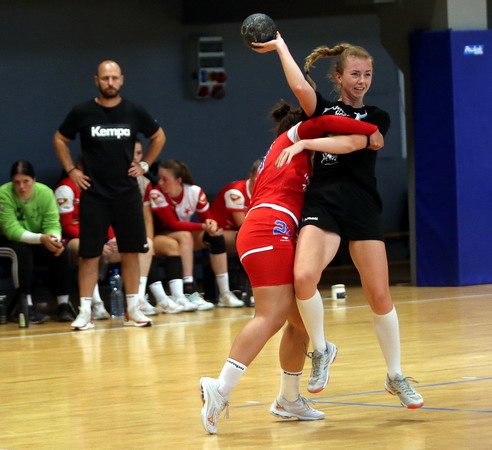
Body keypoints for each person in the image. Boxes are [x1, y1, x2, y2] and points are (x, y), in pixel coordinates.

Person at [253, 36, 424, 408]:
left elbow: (350, 144)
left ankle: (395, 375)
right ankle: (321, 350)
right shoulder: (323, 110)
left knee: (380, 295)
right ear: (339, 76)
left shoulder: (377, 117)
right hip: (323, 200)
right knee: (303, 277)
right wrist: (281, 47)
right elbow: (300, 87)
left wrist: (305, 144)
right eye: (355, 74)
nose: (361, 81)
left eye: (367, 74)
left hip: (361, 202)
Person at [200, 102, 381, 434]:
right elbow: (324, 120)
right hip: (269, 227)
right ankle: (220, 388)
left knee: (299, 323)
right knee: (270, 316)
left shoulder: (301, 157)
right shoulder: (293, 136)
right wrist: (372, 130)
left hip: (269, 227)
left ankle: (289, 398)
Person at [53, 59, 166, 330]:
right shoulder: (82, 111)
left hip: (126, 193)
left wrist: (145, 165)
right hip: (94, 194)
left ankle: (133, 309)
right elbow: (60, 139)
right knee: (89, 255)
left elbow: (159, 136)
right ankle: (85, 312)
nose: (110, 82)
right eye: (105, 78)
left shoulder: (133, 111)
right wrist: (71, 170)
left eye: (114, 78)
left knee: (131, 253)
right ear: (97, 80)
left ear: (122, 80)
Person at [150, 159, 244, 308]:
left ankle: (225, 294)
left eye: (164, 179)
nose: (160, 182)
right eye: (159, 178)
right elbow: (173, 224)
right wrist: (203, 226)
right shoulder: (156, 193)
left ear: (178, 181)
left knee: (215, 237)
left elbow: (207, 218)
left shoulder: (194, 192)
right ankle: (189, 290)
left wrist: (211, 225)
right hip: (160, 236)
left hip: (182, 236)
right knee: (185, 236)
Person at [0, 161, 74, 323]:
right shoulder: (3, 194)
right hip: (8, 242)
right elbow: (11, 230)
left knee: (61, 249)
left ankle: (63, 305)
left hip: (38, 239)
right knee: (21, 250)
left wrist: (54, 240)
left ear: (34, 179)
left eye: (26, 181)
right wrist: (41, 238)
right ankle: (25, 306)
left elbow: (52, 223)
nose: (22, 187)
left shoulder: (45, 193)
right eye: (17, 182)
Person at [133, 139, 184, 314]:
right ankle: (153, 298)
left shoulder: (144, 183)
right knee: (144, 246)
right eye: (132, 153)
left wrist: (148, 240)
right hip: (114, 237)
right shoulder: (111, 179)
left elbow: (147, 219)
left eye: (139, 153)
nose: (136, 157)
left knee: (151, 245)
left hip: (140, 236)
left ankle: (178, 295)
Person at [209, 159, 261, 252]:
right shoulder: (235, 192)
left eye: (264, 176)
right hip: (216, 232)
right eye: (258, 175)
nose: (260, 180)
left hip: (237, 232)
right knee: (255, 239)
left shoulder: (266, 193)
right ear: (251, 175)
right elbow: (242, 225)